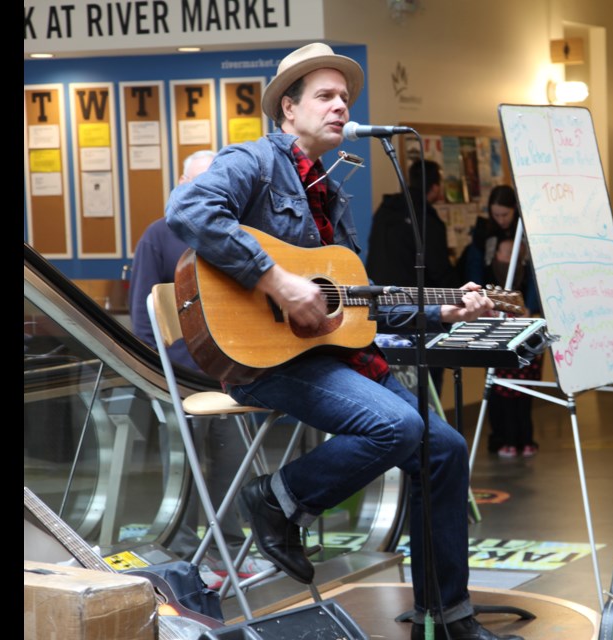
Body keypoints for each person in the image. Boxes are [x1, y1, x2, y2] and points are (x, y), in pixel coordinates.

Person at [165, 42, 521, 640]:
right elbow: (188, 207)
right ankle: (277, 498)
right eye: (325, 96)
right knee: (400, 427)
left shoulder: (333, 193)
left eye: (345, 98)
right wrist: (275, 280)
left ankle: (447, 616)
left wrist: (445, 308)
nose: (339, 107)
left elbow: (358, 305)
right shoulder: (252, 162)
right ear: (288, 108)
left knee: (446, 447)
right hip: (264, 355)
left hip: (332, 355)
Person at [127, 149, 273, 587]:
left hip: (229, 373)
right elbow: (142, 314)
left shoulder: (233, 233)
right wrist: (158, 375)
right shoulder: (159, 234)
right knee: (187, 473)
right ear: (183, 183)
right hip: (180, 376)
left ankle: (229, 551)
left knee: (231, 468)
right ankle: (190, 557)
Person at [365, 159, 461, 396]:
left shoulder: (385, 211)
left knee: (388, 387)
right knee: (426, 390)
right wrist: (457, 297)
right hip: (417, 314)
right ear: (436, 188)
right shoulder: (427, 219)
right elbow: (439, 270)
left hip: (379, 311)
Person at [461, 185, 542, 458]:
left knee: (525, 376)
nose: (501, 220)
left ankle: (524, 436)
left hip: (524, 313)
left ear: (515, 211)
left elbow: (534, 274)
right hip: (492, 313)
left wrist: (529, 307)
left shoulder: (527, 232)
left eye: (505, 214)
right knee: (495, 380)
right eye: (496, 214)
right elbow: (475, 272)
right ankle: (500, 438)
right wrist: (481, 304)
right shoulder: (483, 234)